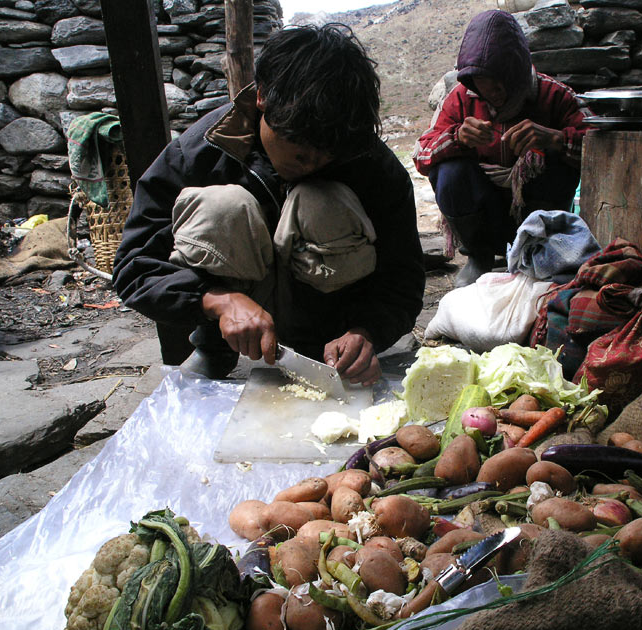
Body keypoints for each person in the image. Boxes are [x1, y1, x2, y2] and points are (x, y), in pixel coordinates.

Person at [112, 24, 425, 385]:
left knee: (322, 202)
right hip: (228, 330)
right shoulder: (198, 153)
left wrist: (366, 331)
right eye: (299, 148)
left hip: (329, 342)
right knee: (226, 206)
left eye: (325, 155)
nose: (310, 164)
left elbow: (402, 278)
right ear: (261, 97)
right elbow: (135, 267)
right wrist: (219, 301)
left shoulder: (369, 162)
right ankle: (214, 349)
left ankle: (326, 347)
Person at [414, 9, 592, 287]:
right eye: (484, 89)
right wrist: (457, 137)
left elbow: (600, 152)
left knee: (560, 163)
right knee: (448, 170)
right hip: (484, 213)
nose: (493, 97)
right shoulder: (460, 99)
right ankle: (479, 256)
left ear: (518, 75)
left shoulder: (555, 96)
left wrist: (555, 140)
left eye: (500, 87)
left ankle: (538, 253)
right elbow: (422, 155)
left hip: (537, 216)